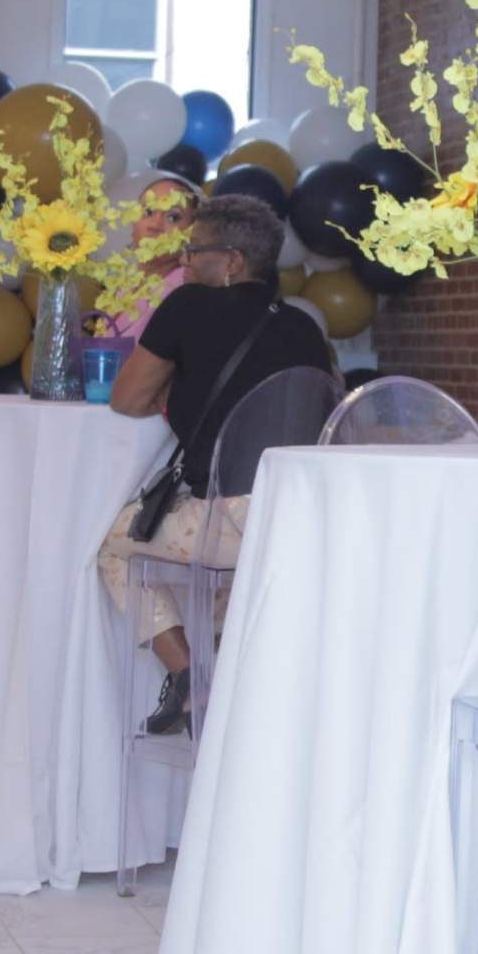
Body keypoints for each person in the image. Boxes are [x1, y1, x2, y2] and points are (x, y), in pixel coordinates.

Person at [95, 192, 331, 735]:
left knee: (114, 549)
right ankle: (238, 687)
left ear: (230, 262)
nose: (184, 261)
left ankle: (192, 678)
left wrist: (174, 385)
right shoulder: (304, 327)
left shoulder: (186, 306)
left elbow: (126, 399)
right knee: (222, 574)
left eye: (193, 250)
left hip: (225, 520)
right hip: (295, 524)